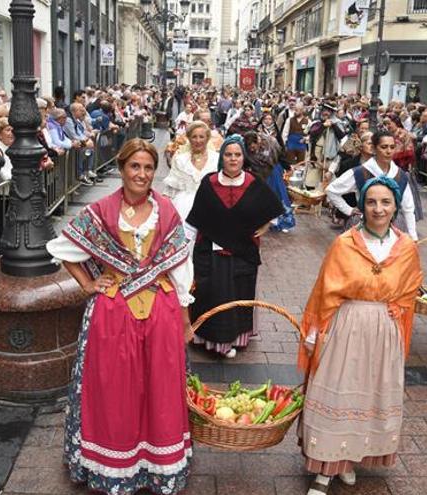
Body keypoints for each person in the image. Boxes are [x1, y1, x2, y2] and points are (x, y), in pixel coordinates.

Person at [46, 139, 193, 495]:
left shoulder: (168, 211)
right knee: (114, 389)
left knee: (159, 385)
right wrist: (87, 284)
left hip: (160, 309)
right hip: (112, 312)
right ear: (121, 168)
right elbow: (64, 249)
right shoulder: (100, 211)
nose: (141, 174)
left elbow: (181, 268)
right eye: (134, 167)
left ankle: (159, 465)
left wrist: (185, 319)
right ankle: (115, 464)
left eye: (147, 168)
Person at [298, 177, 423, 493]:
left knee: (369, 395)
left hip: (384, 330)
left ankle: (349, 459)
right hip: (347, 324)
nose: (378, 209)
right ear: (362, 205)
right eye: (371, 202)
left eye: (385, 202)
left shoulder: (406, 247)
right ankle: (326, 469)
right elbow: (324, 289)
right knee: (338, 390)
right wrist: (314, 331)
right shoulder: (345, 243)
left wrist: (396, 305)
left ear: (395, 206)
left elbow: (409, 289)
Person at [186, 135, 284, 358]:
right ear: (222, 157)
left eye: (237, 155)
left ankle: (235, 338)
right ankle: (208, 338)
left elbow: (275, 207)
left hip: (243, 252)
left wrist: (266, 224)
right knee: (212, 294)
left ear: (243, 157)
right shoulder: (209, 183)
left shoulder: (253, 183)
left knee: (237, 295)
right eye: (228, 155)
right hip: (212, 252)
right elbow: (195, 219)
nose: (233, 159)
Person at [326, 131, 420, 239]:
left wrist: (413, 237)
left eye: (392, 147)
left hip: (394, 228)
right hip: (364, 228)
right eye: (384, 147)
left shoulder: (400, 176)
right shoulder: (360, 172)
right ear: (374, 149)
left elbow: (408, 209)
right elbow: (331, 190)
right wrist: (349, 210)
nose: (388, 151)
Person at [162, 122, 219, 245]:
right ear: (188, 138)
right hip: (183, 210)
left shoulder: (217, 159)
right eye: (194, 137)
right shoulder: (180, 159)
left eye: (201, 137)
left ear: (207, 138)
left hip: (210, 209)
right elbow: (170, 189)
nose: (198, 140)